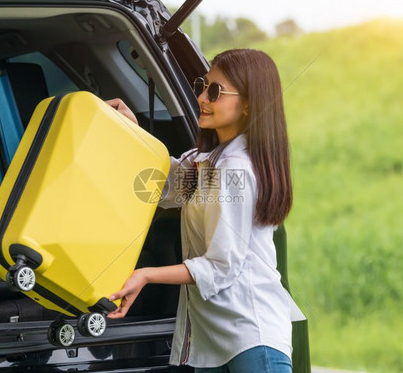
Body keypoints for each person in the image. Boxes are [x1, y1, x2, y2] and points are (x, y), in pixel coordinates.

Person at [106, 49, 294, 373]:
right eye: (202, 86)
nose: (202, 98)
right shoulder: (208, 160)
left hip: (252, 341)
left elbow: (221, 266)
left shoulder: (235, 166)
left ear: (248, 104)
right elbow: (164, 183)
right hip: (215, 344)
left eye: (215, 91)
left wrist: (146, 275)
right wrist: (132, 130)